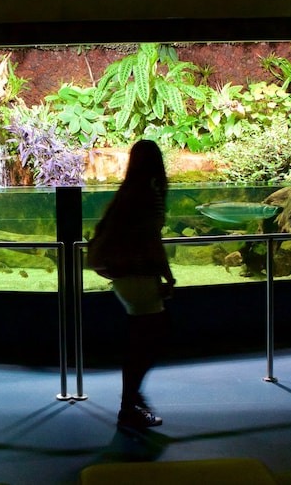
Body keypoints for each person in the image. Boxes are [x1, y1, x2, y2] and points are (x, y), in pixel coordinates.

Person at [96, 139, 175, 428]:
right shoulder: (150, 193)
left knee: (140, 341)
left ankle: (131, 401)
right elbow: (153, 240)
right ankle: (129, 405)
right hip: (141, 278)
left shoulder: (126, 193)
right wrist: (168, 276)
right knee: (150, 341)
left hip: (124, 279)